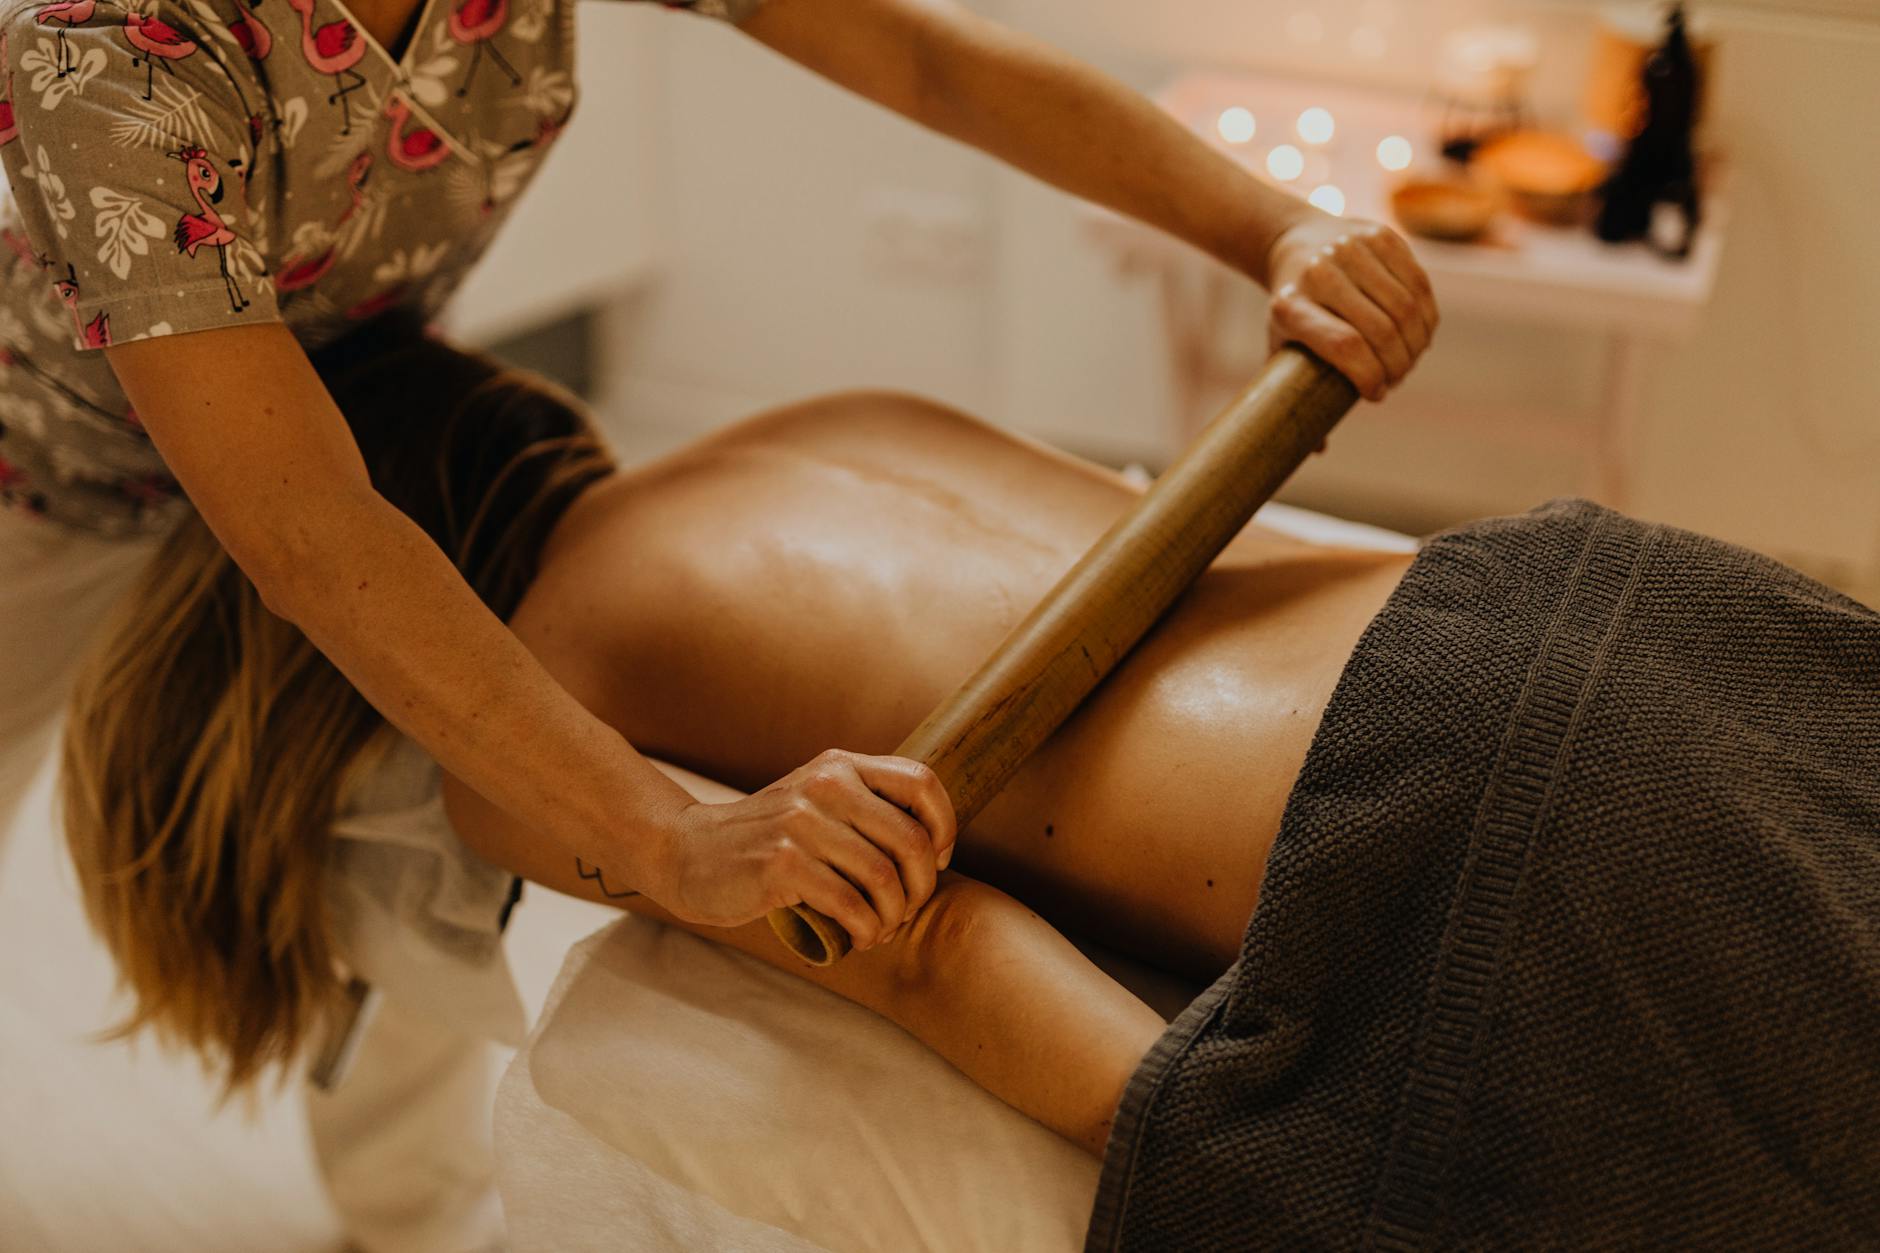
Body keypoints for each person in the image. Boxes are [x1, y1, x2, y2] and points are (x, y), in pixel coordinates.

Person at [0, 0, 1434, 1242]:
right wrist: (669, 838)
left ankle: (410, 1211)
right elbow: (303, 532)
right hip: (48, 486)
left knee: (417, 826)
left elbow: (924, 58)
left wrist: (1274, 225)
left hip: (339, 395)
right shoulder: (107, 53)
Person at [67, 319, 1880, 1246]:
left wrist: (1219, 1151)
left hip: (1475, 837)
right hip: (1600, 608)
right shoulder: (810, 422)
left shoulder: (534, 743)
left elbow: (921, 945)